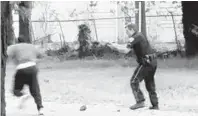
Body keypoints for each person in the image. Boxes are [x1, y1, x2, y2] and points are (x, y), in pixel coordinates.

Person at [7, 37, 45, 115]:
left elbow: (6, 53)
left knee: (16, 90)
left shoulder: (14, 47)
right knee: (35, 90)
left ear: (17, 41)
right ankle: (40, 109)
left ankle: (22, 95)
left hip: (21, 68)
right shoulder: (31, 46)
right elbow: (41, 55)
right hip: (32, 68)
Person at [125, 23, 159, 110]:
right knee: (149, 83)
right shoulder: (139, 36)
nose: (126, 33)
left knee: (133, 81)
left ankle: (140, 101)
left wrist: (113, 47)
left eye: (127, 31)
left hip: (146, 63)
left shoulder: (135, 37)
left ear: (132, 29)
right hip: (153, 62)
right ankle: (155, 105)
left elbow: (125, 50)